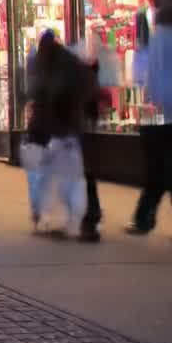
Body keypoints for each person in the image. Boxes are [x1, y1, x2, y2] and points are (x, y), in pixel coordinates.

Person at [126, 0, 172, 247]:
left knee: (162, 174)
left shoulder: (159, 42)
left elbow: (151, 80)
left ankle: (150, 220)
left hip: (165, 116)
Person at [24, 31, 99, 240]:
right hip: (69, 128)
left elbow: (41, 94)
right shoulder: (69, 62)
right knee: (72, 177)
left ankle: (52, 219)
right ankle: (80, 221)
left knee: (50, 177)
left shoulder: (49, 67)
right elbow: (87, 84)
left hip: (56, 129)